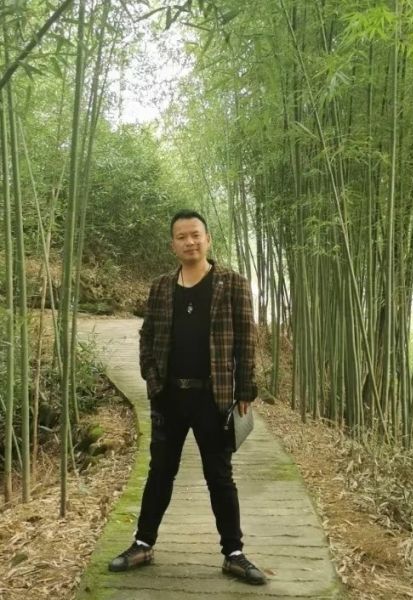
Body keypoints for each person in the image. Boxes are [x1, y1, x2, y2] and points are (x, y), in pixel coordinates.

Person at [108, 209, 266, 585]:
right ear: (172, 245)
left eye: (196, 235)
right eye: (182, 237)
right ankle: (142, 544)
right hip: (169, 396)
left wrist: (246, 387)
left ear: (208, 239)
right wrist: (152, 380)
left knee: (220, 476)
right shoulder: (161, 287)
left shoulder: (232, 283)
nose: (190, 242)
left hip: (213, 396)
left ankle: (234, 553)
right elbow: (148, 336)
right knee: (160, 472)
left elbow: (247, 338)